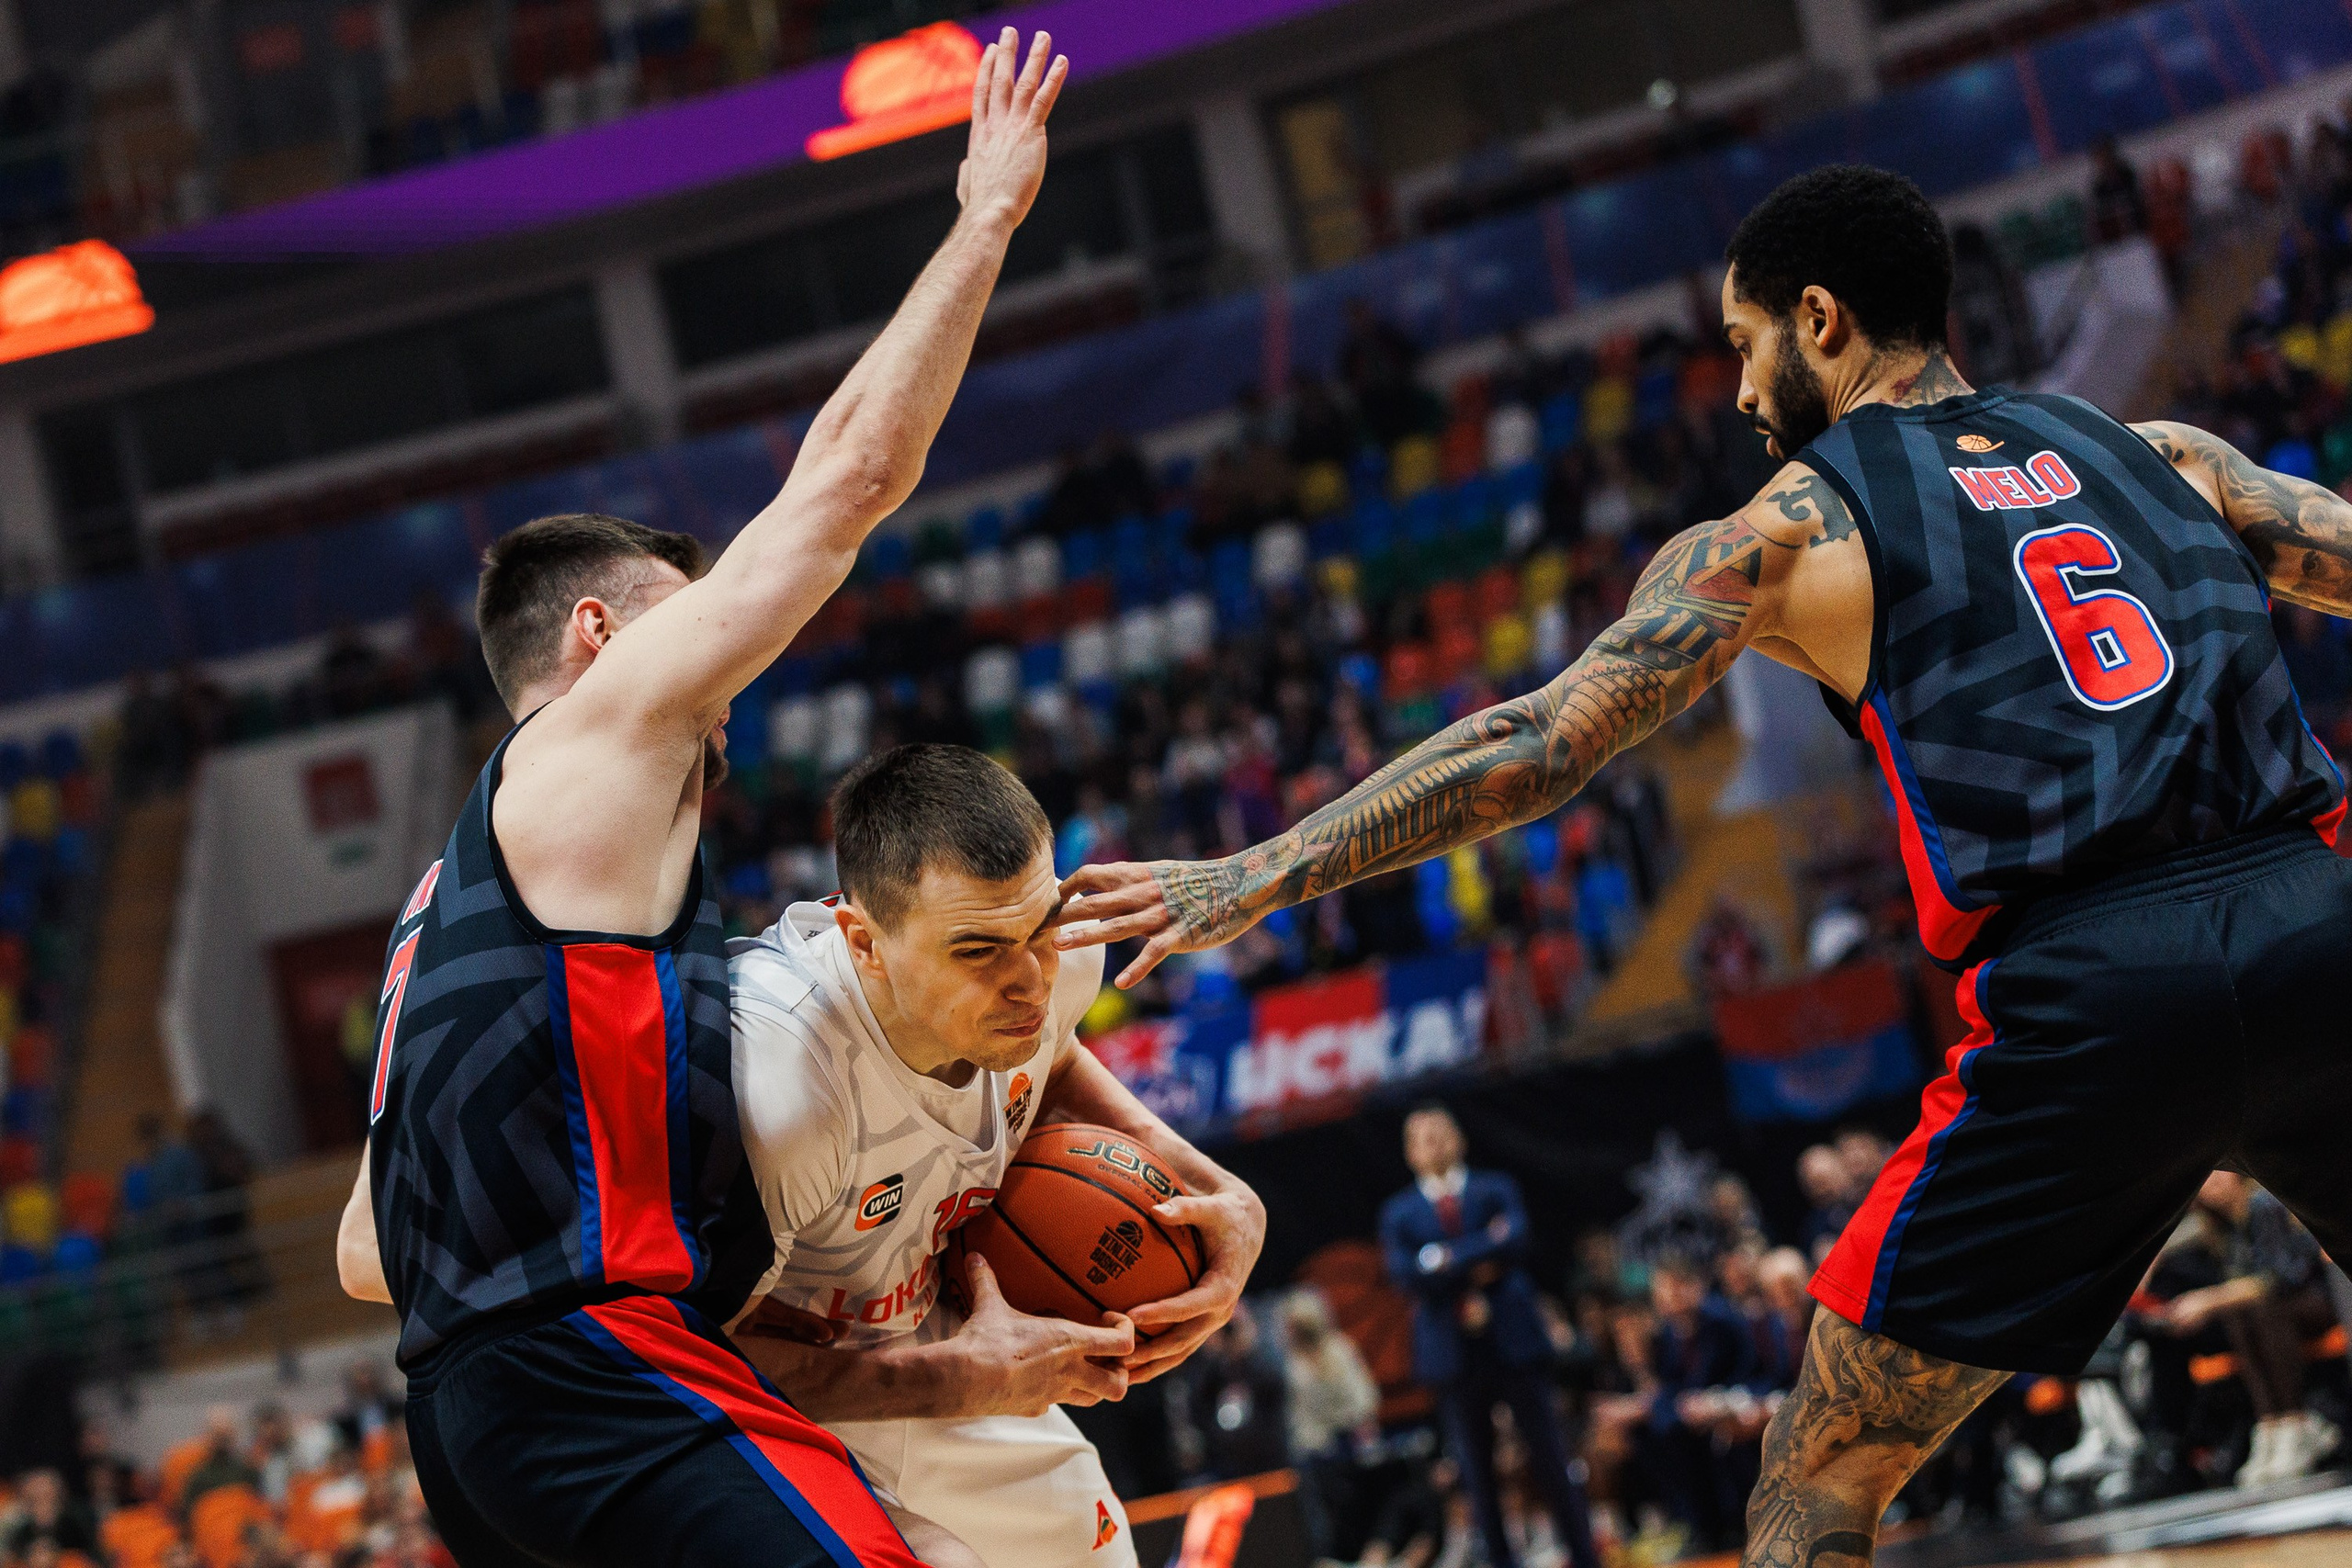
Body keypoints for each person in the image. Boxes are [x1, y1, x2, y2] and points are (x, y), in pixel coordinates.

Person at [1055, 163, 2352, 1564]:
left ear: (1821, 318)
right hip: (2318, 923)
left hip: (2096, 991)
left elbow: (1541, 743)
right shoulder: (2161, 451)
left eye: (1744, 345)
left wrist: (1254, 871)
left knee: (1818, 1479)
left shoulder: (1790, 528)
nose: (1738, 393)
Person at [334, 31, 1070, 1568]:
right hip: (588, 1364)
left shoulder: (451, 905)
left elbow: (362, 1250)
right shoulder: (603, 735)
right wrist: (985, 216)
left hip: (475, 1426)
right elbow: (845, 487)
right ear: (602, 638)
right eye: (690, 621)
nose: (723, 674)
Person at [718, 745, 1266, 1568]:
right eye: (977, 950)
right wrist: (957, 1380)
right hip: (752, 1417)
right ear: (862, 941)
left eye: (1038, 930)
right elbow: (668, 1363)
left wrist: (1216, 1187)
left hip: (915, 1337)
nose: (1030, 984)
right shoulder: (778, 1092)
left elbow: (1051, 1053)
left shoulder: (1064, 955)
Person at [1374, 1106, 1600, 1568]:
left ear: (1459, 1139)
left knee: (1551, 1458)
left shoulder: (1495, 1187)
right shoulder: (1399, 1213)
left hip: (1514, 1341)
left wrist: (1439, 1259)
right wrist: (1480, 1252)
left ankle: (1584, 1555)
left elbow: (1515, 1240)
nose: (1435, 1143)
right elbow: (1403, 1273)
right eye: (1423, 1138)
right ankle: (1501, 1561)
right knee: (1478, 1473)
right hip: (1452, 1354)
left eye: (1442, 1133)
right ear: (1409, 1152)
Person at [2163, 1173, 2342, 1484]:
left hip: (2315, 1300)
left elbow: (2277, 1279)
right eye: (2204, 1180)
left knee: (2262, 1310)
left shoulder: (2263, 1205)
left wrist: (2211, 1300)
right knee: (2240, 1316)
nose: (2212, 1184)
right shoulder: (2220, 1225)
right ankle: (2272, 1426)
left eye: (2219, 1175)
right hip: (2275, 1312)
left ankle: (2295, 1422)